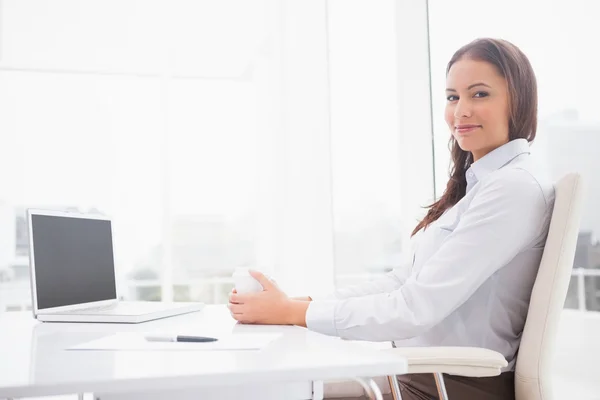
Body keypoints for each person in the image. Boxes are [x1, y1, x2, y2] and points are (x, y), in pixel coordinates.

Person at [228, 38, 555, 400]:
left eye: (479, 94)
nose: (460, 111)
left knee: (266, 390)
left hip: (450, 388)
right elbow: (402, 282)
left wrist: (294, 312)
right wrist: (301, 304)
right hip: (420, 378)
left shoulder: (512, 188)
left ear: (518, 100)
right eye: (452, 97)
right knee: (273, 386)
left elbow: (413, 308)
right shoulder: (484, 185)